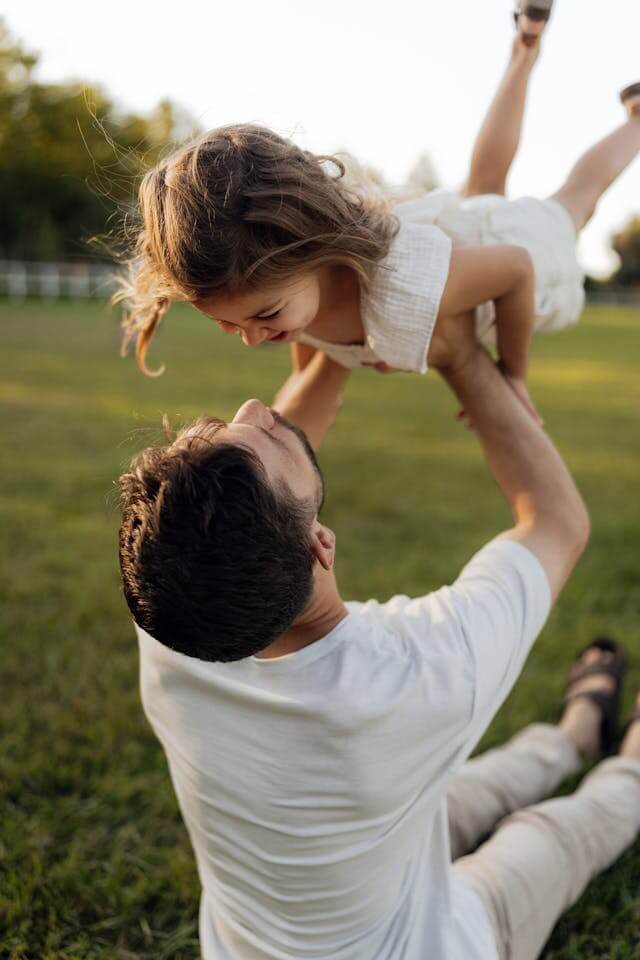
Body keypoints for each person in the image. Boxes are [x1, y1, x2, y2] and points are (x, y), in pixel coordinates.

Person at [118, 316, 640, 960]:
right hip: (432, 947)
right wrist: (459, 356)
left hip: (333, 873)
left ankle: (571, 738)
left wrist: (338, 332)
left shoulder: (172, 625)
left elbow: (265, 484)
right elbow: (558, 523)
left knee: (453, 798)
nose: (255, 405)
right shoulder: (414, 672)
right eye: (259, 433)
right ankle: (630, 764)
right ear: (322, 546)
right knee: (550, 837)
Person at [116, 4, 640, 424]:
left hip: (519, 250)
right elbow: (308, 376)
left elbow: (516, 269)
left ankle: (636, 119)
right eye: (229, 326)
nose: (252, 338)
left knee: (576, 200)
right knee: (485, 183)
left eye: (264, 316)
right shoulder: (290, 293)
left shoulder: (402, 282)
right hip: (465, 230)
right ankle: (524, 50)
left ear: (310, 249)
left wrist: (513, 375)